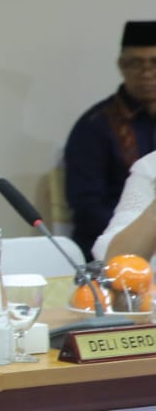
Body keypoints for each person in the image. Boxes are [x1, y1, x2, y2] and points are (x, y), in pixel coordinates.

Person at [64, 20, 156, 257]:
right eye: (136, 63)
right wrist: (134, 232)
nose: (147, 72)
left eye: (154, 62)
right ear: (121, 66)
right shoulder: (95, 125)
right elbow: (86, 206)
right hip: (109, 245)